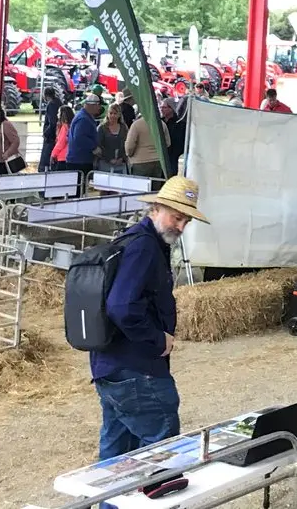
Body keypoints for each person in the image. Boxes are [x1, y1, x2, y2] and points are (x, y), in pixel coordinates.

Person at [91, 176, 209, 460]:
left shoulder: (136, 239)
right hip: (137, 370)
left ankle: (108, 490)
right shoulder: (144, 246)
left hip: (111, 366)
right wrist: (157, 339)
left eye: (186, 221)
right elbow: (122, 306)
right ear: (156, 209)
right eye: (176, 218)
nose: (181, 227)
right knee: (162, 451)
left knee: (117, 453)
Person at [125, 106, 170, 179]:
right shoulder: (162, 124)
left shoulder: (136, 125)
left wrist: (129, 154)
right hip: (157, 161)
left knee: (139, 185)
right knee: (155, 185)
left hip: (140, 161)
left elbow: (129, 146)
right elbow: (167, 143)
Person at [65, 94, 102, 178]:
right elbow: (79, 137)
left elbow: (69, 135)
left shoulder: (82, 116)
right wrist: (94, 147)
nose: (99, 108)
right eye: (98, 105)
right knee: (80, 184)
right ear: (93, 105)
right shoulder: (84, 119)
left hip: (77, 159)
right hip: (80, 161)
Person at [96, 105, 130, 174]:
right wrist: (109, 159)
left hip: (120, 163)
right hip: (105, 163)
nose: (113, 115)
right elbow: (99, 145)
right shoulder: (102, 128)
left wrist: (122, 158)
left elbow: (127, 143)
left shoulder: (124, 127)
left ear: (119, 114)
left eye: (115, 113)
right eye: (111, 113)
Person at [39, 88, 60, 172]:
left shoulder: (51, 105)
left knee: (46, 158)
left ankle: (43, 172)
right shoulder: (59, 102)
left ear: (45, 95)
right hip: (57, 134)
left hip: (50, 136)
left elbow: (52, 122)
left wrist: (46, 133)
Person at [52, 106, 74, 170]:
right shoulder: (72, 126)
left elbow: (61, 143)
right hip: (70, 156)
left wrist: (53, 154)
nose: (57, 114)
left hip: (62, 157)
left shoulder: (64, 127)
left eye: (58, 113)